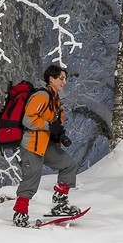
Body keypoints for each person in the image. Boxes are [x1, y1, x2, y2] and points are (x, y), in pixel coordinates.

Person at [12, 64, 82, 227]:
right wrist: (49, 126)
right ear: (51, 79)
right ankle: (20, 214)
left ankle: (60, 204)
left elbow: (49, 122)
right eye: (61, 78)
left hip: (45, 144)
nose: (64, 82)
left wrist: (57, 131)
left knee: (68, 165)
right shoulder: (42, 96)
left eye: (65, 79)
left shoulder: (54, 98)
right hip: (31, 145)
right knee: (31, 178)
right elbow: (28, 120)